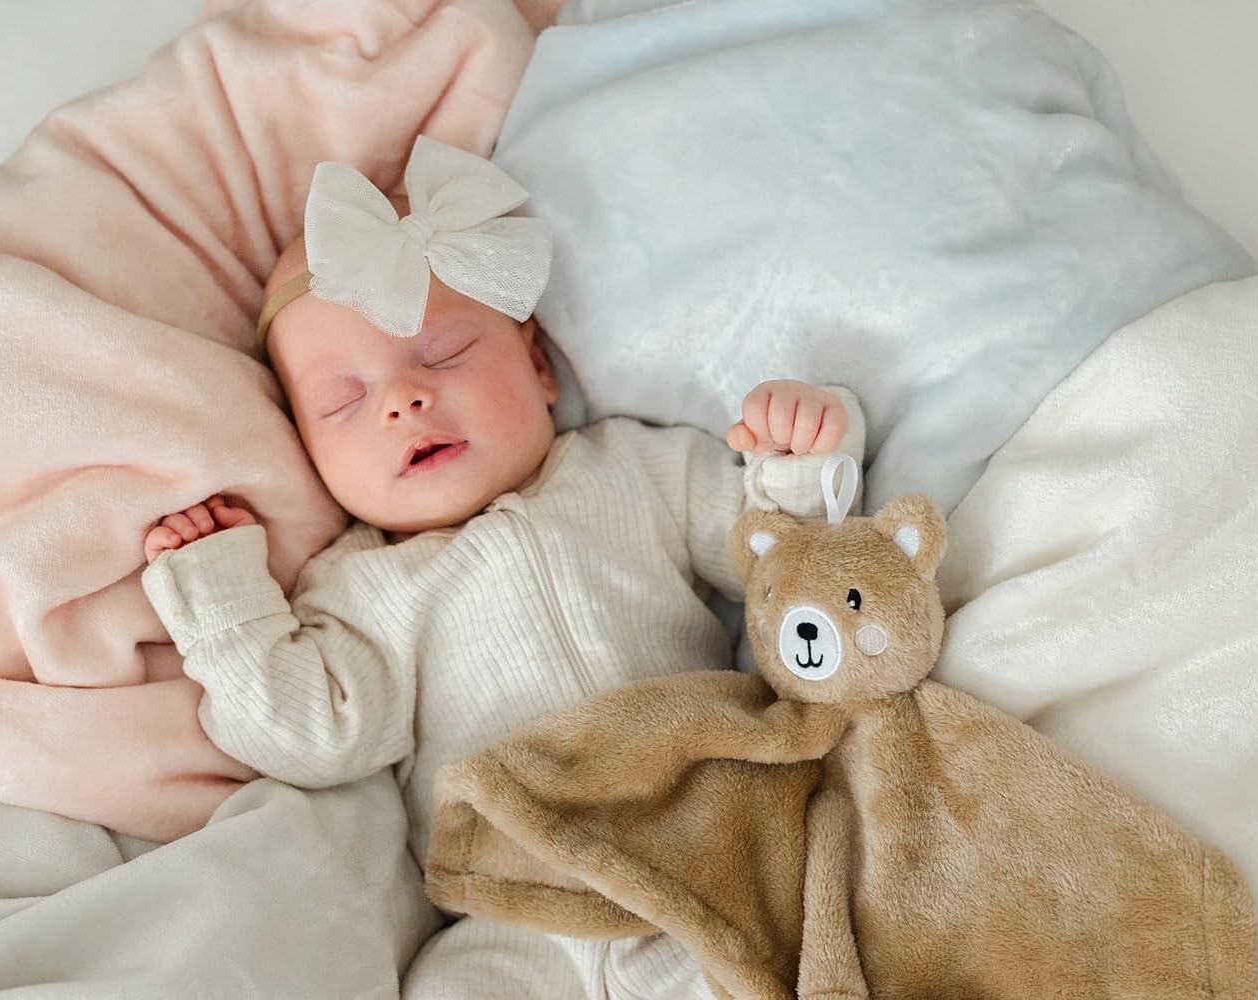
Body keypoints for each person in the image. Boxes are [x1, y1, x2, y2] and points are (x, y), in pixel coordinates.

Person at [140, 136, 864, 998]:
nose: (404, 400)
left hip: (709, 868)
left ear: (538, 364)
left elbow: (786, 566)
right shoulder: (358, 586)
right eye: (344, 400)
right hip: (514, 919)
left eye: (443, 353)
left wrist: (795, 458)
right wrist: (224, 598)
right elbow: (311, 737)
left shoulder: (634, 471)